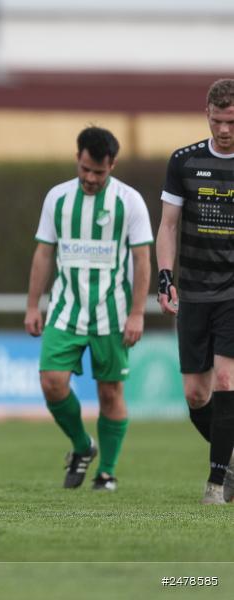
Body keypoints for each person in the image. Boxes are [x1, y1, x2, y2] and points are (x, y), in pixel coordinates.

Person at [24, 127, 152, 492]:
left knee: (110, 393)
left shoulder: (130, 202)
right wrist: (34, 305)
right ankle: (83, 446)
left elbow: (143, 261)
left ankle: (106, 472)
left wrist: (138, 312)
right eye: (84, 169)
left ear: (112, 165)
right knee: (52, 382)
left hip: (112, 312)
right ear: (77, 160)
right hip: (65, 309)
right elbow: (44, 253)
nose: (90, 178)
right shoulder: (58, 199)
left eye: (98, 171)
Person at [157, 78, 234, 504]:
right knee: (196, 394)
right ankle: (230, 461)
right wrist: (165, 276)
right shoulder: (184, 161)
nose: (225, 130)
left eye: (232, 122)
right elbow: (168, 225)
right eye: (219, 120)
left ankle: (216, 485)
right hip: (194, 292)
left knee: (226, 380)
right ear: (207, 114)